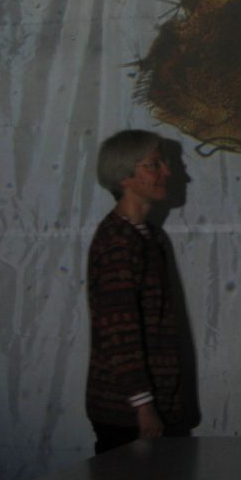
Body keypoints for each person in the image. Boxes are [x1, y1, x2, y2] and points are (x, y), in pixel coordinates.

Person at [85, 129, 185, 454]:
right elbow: (119, 332)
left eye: (163, 164)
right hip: (127, 414)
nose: (167, 172)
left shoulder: (148, 237)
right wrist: (143, 406)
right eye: (154, 165)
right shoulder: (118, 243)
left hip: (150, 406)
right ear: (125, 177)